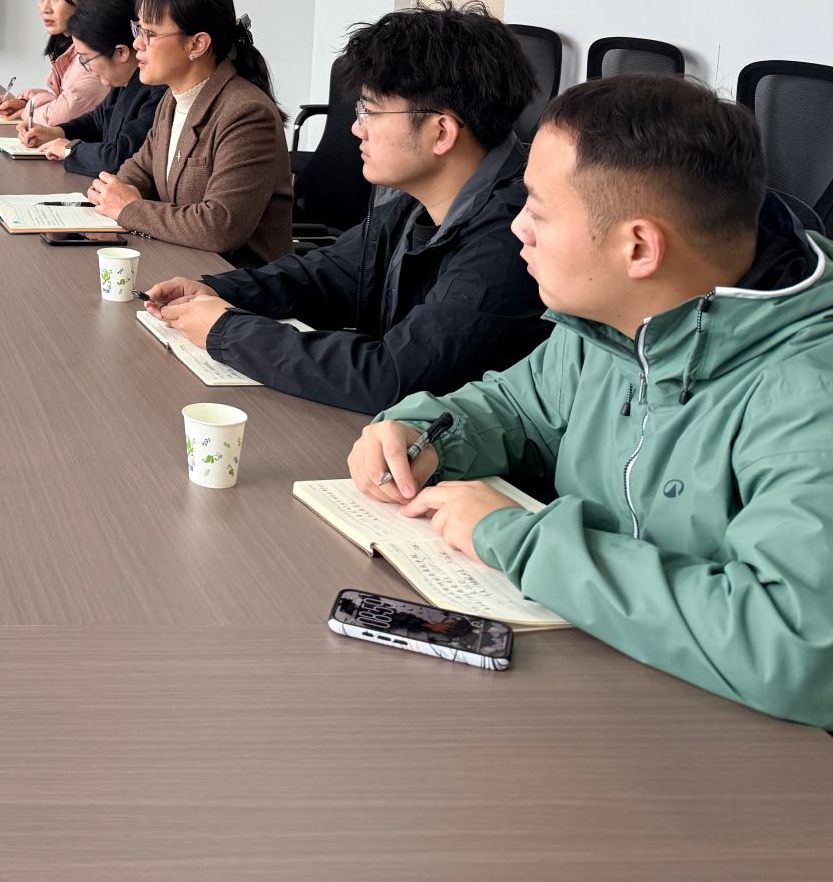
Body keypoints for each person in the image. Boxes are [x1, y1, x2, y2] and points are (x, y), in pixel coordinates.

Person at [346, 75, 833, 728]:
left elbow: (796, 647)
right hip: (610, 686)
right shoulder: (614, 325)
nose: (517, 228)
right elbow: (515, 410)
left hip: (753, 751)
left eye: (539, 211)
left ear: (639, 247)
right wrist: (420, 434)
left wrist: (514, 540)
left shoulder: (809, 393)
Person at [141, 2, 549, 412]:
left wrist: (225, 330)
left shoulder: (514, 239)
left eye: (370, 110)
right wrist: (219, 290)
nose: (356, 127)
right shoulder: (412, 200)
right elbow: (327, 274)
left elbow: (392, 376)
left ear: (441, 132)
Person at [88, 0, 292, 267]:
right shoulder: (172, 99)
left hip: (234, 279)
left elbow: (219, 226)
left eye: (150, 34)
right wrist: (114, 193)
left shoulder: (247, 113)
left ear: (196, 44)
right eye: (138, 29)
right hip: (180, 261)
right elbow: (139, 170)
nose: (137, 44)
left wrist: (129, 208)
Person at [18, 0, 166, 179]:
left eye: (86, 58)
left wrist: (70, 150)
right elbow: (97, 121)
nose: (86, 67)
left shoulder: (157, 91)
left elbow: (123, 157)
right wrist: (56, 132)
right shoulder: (124, 82)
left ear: (120, 52)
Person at [0, 0, 106, 131]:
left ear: (85, 0)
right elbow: (62, 101)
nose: (45, 8)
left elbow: (59, 117)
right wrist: (25, 101)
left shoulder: (94, 56)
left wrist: (26, 111)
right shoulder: (68, 49)